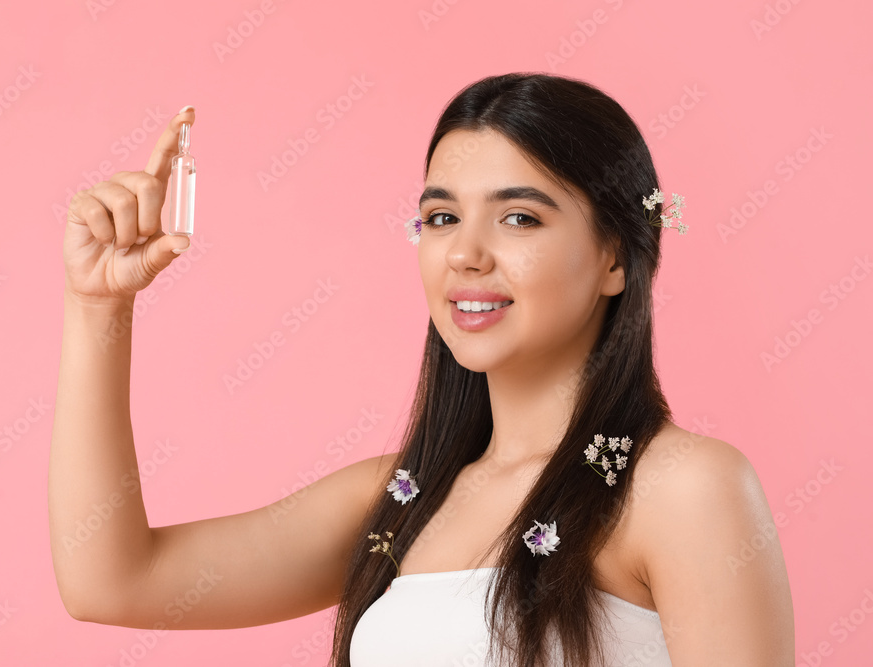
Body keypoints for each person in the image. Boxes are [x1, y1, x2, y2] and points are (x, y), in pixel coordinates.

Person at [49, 72, 794, 666]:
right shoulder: (400, 497)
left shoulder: (682, 488)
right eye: (441, 217)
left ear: (613, 257)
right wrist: (97, 307)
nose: (465, 253)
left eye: (519, 217)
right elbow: (112, 580)